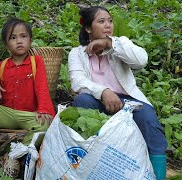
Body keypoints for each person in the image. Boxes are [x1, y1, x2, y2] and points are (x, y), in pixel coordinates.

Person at [68, 6, 168, 180]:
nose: (108, 25)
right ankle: (90, 165)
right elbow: (78, 82)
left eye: (110, 21)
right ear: (88, 28)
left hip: (128, 102)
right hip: (97, 101)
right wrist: (103, 91)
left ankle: (158, 176)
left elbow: (141, 60)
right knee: (82, 102)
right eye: (101, 21)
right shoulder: (77, 53)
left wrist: (110, 44)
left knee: (149, 119)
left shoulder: (120, 43)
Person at [0, 17, 55, 173]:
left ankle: (14, 153)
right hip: (6, 115)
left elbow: (42, 88)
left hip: (28, 117)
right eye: (13, 38)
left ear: (30, 40)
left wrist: (44, 109)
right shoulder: (3, 65)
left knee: (44, 125)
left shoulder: (36, 62)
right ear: (6, 44)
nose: (19, 41)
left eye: (23, 36)